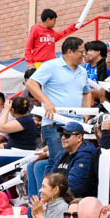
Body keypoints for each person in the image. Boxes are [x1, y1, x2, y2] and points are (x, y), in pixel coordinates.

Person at [26, 36, 92, 173]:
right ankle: (48, 187)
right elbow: (31, 83)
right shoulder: (51, 66)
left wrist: (86, 112)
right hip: (54, 123)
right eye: (81, 51)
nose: (84, 55)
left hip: (75, 124)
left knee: (69, 162)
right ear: (70, 51)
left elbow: (86, 92)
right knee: (57, 162)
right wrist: (46, 101)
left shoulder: (83, 71)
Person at [29, 121, 96, 197]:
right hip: (59, 195)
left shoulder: (85, 156)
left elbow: (72, 186)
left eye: (67, 135)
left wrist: (50, 195)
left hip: (74, 199)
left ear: (79, 137)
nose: (63, 138)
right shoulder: (62, 153)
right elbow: (50, 178)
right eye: (61, 135)